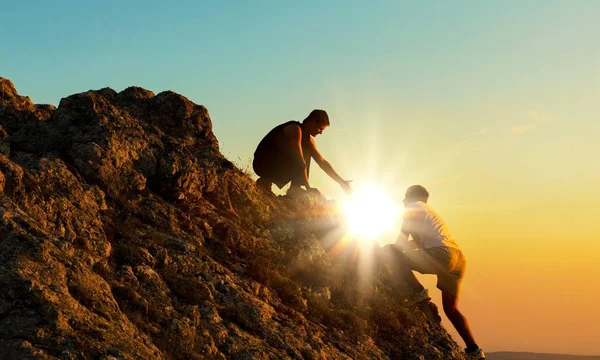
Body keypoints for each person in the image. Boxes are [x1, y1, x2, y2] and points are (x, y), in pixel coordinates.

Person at [382, 185, 485, 360]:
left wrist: (384, 249)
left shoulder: (411, 208)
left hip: (441, 254)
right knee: (451, 309)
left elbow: (401, 243)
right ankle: (474, 350)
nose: (403, 200)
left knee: (391, 254)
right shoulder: (430, 213)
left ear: (413, 196)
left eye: (405, 196)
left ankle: (418, 292)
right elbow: (419, 245)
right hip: (458, 258)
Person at [252, 109, 352, 196]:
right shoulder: (295, 129)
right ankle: (268, 182)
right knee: (303, 155)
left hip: (276, 164)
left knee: (307, 151)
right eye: (320, 129)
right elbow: (298, 159)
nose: (321, 133)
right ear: (312, 122)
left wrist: (342, 182)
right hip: (262, 164)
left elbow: (322, 162)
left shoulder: (309, 140)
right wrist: (308, 187)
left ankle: (295, 188)